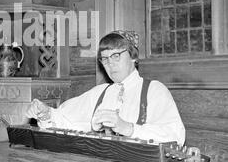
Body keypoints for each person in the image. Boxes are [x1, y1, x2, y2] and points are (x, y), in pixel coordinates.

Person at [26, 30, 186, 146]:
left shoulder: (154, 90)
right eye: (104, 59)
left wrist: (129, 128)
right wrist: (46, 113)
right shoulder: (100, 92)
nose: (110, 64)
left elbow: (175, 135)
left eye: (116, 56)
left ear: (133, 57)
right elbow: (65, 120)